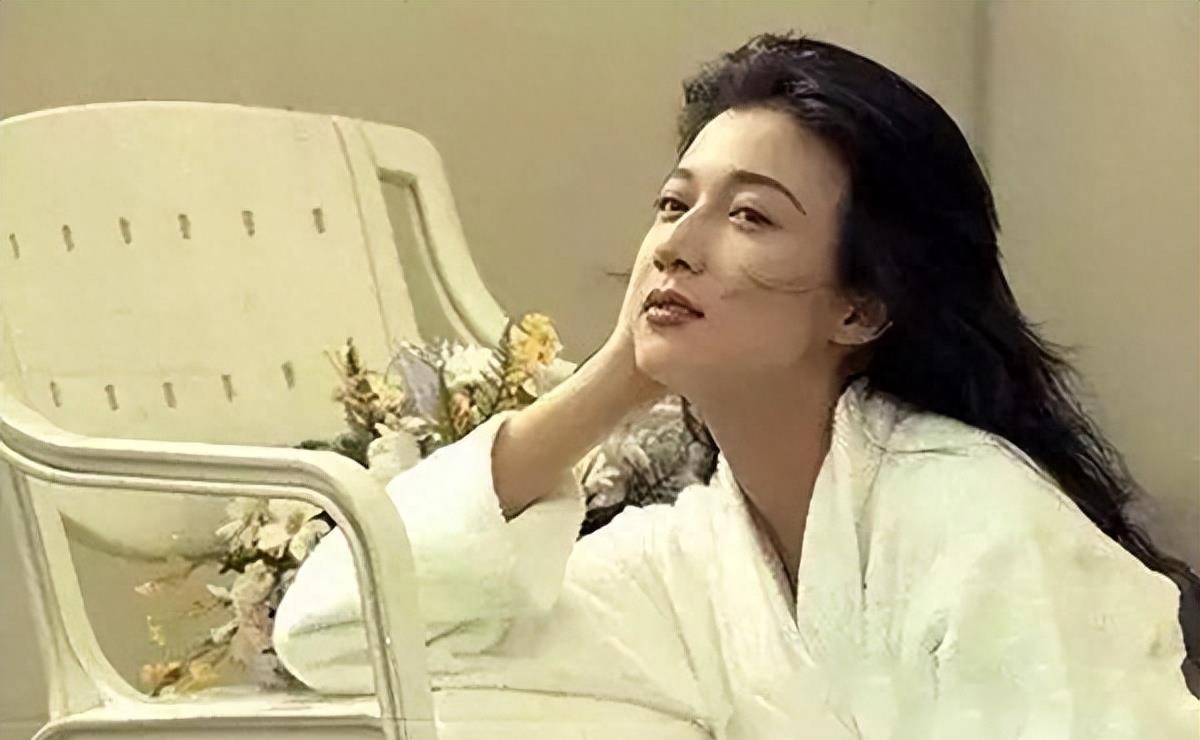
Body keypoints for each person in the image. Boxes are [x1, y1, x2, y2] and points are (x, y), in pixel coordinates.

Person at [273, 32, 1200, 738]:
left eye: (751, 215)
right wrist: (613, 381)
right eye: (674, 204)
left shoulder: (977, 520)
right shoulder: (699, 561)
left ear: (860, 309)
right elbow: (344, 638)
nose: (677, 244)